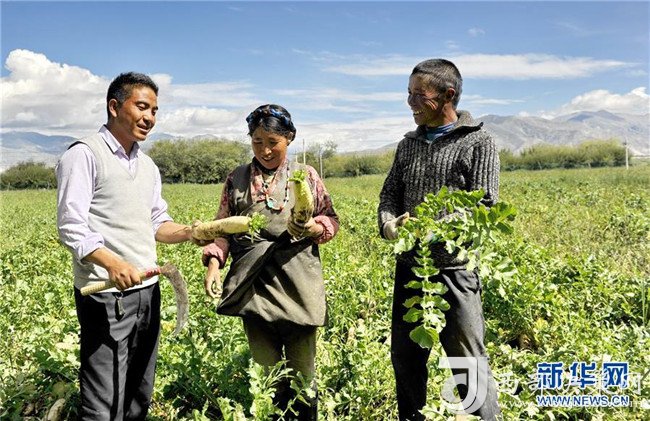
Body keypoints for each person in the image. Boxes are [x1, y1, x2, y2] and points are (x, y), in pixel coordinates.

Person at [56, 72, 197, 420]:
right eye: (142, 107)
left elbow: (157, 223)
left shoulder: (147, 166)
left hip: (147, 291)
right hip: (106, 294)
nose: (150, 117)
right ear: (114, 106)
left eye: (155, 110)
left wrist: (192, 232)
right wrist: (112, 262)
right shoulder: (84, 154)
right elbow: (71, 225)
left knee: (138, 392)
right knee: (104, 399)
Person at [378, 59, 502, 420]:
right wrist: (389, 225)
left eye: (420, 94)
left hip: (455, 271)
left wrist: (431, 229)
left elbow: (485, 205)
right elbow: (389, 195)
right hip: (411, 270)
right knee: (406, 359)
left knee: (468, 363)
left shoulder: (478, 142)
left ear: (448, 95)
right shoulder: (408, 144)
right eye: (409, 93)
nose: (410, 102)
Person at [200, 104, 339, 420]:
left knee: (303, 374)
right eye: (257, 142)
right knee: (267, 375)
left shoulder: (306, 176)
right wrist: (214, 264)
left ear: (289, 138)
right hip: (253, 283)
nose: (264, 150)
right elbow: (221, 228)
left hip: (297, 281)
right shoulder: (237, 179)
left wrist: (312, 227)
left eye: (273, 142)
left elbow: (330, 219)